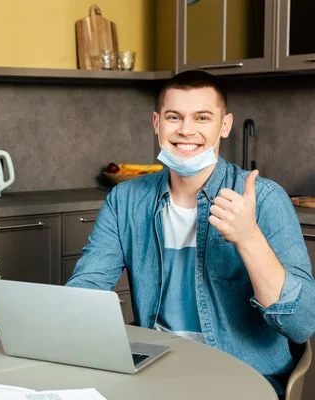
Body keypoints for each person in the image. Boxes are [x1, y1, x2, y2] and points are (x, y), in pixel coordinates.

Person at [66, 70, 315, 396]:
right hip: (156, 372)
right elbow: (86, 289)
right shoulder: (126, 199)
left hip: (239, 377)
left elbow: (301, 325)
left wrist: (249, 237)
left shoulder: (265, 199)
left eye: (202, 117)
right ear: (157, 123)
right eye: (174, 117)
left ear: (224, 126)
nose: (186, 130)